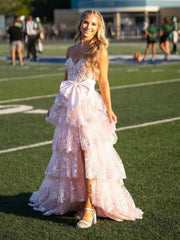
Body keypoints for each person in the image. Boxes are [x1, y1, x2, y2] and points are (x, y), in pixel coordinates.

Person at [28, 9, 143, 228]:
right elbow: (65, 83)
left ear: (98, 28)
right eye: (85, 23)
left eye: (92, 24)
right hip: (70, 109)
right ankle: (80, 200)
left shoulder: (99, 50)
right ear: (79, 24)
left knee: (88, 156)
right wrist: (55, 107)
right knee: (72, 157)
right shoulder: (70, 49)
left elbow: (104, 83)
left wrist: (109, 109)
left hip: (89, 108)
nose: (88, 27)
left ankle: (90, 207)